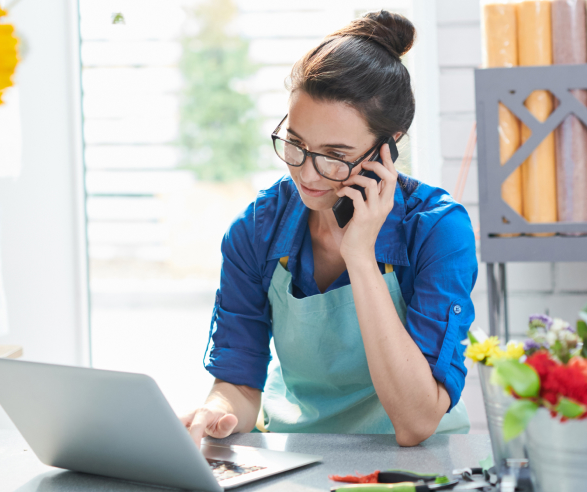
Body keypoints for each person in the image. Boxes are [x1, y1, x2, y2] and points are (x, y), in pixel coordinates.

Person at [181, 10, 477, 447]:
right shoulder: (257, 230)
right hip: (298, 458)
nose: (308, 174)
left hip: (418, 465)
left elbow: (416, 422)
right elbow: (240, 384)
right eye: (296, 144)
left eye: (334, 155)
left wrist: (360, 255)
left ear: (387, 149)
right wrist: (218, 411)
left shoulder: (437, 231)